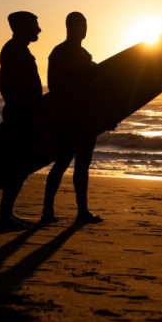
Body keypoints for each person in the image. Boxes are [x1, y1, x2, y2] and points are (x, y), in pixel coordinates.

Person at [41, 11, 103, 224]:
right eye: (78, 26)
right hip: (69, 118)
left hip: (87, 118)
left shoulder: (86, 54)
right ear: (69, 27)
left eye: (85, 25)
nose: (83, 29)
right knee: (62, 163)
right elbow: (53, 85)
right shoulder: (59, 52)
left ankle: (82, 211)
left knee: (83, 165)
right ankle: (47, 211)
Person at [0, 11, 43, 230]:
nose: (39, 30)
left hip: (22, 113)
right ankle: (4, 217)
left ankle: (6, 215)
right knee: (18, 166)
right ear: (24, 27)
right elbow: (5, 81)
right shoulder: (14, 51)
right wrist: (22, 110)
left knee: (20, 166)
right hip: (20, 115)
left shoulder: (18, 50)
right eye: (35, 25)